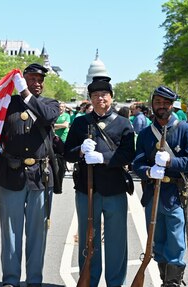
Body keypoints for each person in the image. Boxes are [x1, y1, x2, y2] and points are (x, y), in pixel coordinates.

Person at [63, 76, 135, 287]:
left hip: (114, 189)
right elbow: (67, 153)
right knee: (88, 238)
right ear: (90, 99)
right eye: (95, 95)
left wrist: (103, 158)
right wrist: (80, 152)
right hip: (87, 189)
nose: (99, 98)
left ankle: (115, 282)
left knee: (116, 240)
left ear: (111, 97)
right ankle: (89, 280)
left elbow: (128, 153)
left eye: (104, 94)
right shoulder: (80, 122)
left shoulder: (123, 123)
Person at [0, 63, 59, 287]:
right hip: (11, 174)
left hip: (39, 176)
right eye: (31, 79)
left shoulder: (49, 104)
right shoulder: (8, 104)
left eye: (40, 80)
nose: (36, 83)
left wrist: (25, 93)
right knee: (10, 233)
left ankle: (34, 281)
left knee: (37, 234)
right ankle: (10, 280)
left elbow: (48, 118)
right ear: (23, 79)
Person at [132, 86, 188, 286]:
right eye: (158, 102)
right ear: (152, 104)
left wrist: (171, 162)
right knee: (157, 242)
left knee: (176, 242)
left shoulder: (185, 129)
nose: (161, 106)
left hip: (176, 195)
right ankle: (164, 279)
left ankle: (173, 283)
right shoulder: (145, 134)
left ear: (172, 105)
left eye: (165, 103)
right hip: (153, 193)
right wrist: (148, 171)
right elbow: (137, 162)